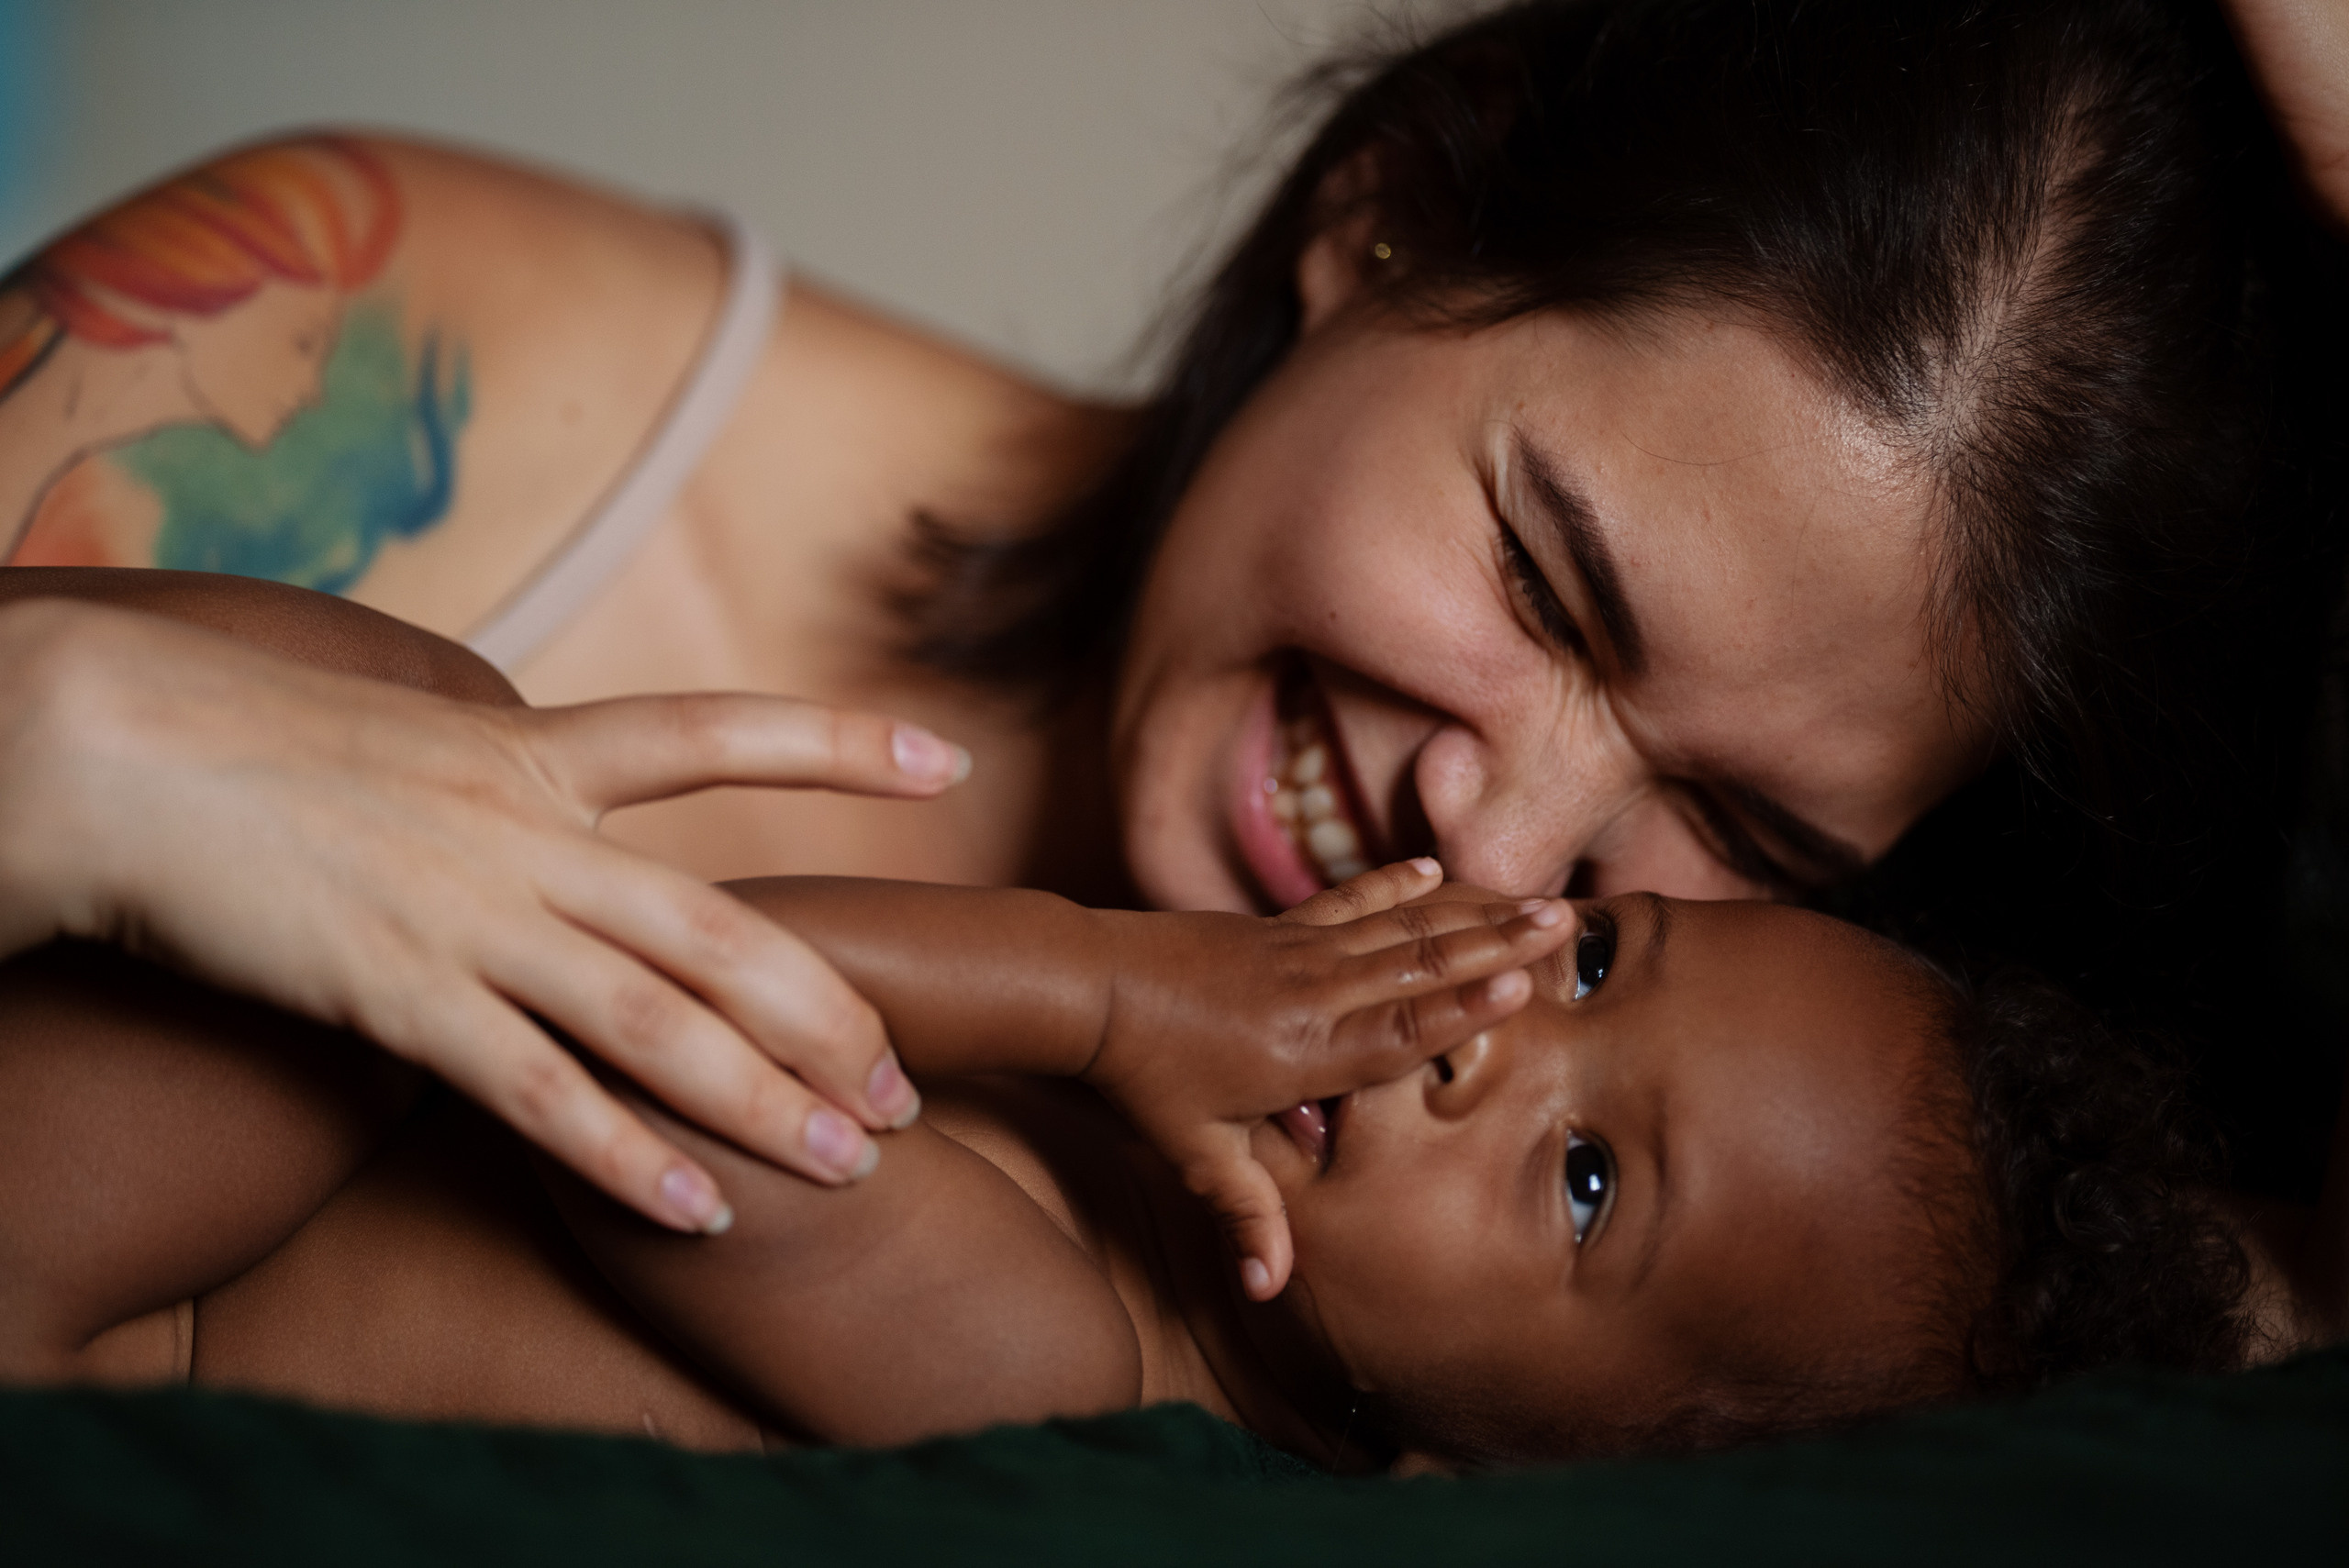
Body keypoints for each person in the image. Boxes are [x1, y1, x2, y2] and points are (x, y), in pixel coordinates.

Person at [0, 0, 2341, 1293]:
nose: (1501, 835)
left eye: (1730, 822)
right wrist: (76, 743)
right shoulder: (374, 367)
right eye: (1543, 581)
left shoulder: (1666, 1234)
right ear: (1388, 211)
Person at [0, 862, 2274, 1464]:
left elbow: (655, 1008)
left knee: (434, 750)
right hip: (155, 1193)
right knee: (387, 734)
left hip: (105, 1321)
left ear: (1536, 1484)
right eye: (1586, 953)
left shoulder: (1043, 1371)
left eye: (1587, 1184)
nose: (1488, 1044)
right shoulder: (1120, 1189)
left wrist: (1107, 984)